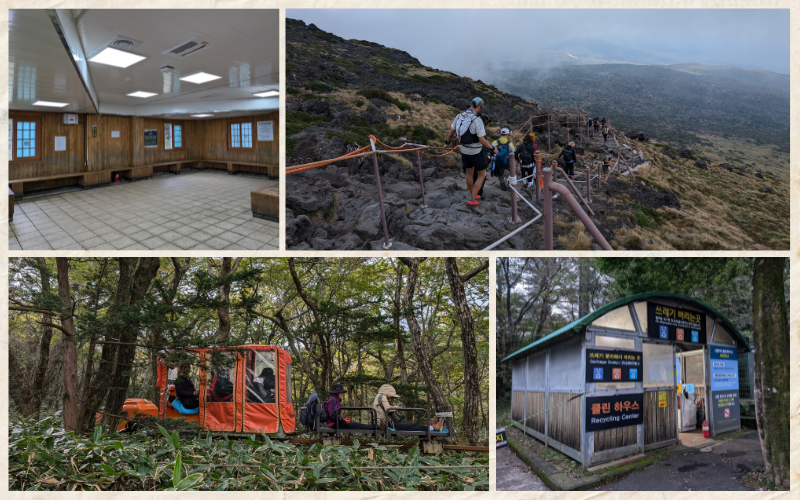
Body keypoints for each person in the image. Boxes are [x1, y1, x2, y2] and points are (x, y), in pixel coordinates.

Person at [445, 97, 497, 207]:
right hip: (476, 152)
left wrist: (447, 143)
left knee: (469, 173)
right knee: (482, 175)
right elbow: (482, 140)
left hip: (464, 151)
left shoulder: (459, 116)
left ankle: (472, 194)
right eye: (481, 107)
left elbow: (450, 133)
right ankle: (472, 199)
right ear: (478, 107)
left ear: (471, 104)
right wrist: (492, 148)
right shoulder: (477, 120)